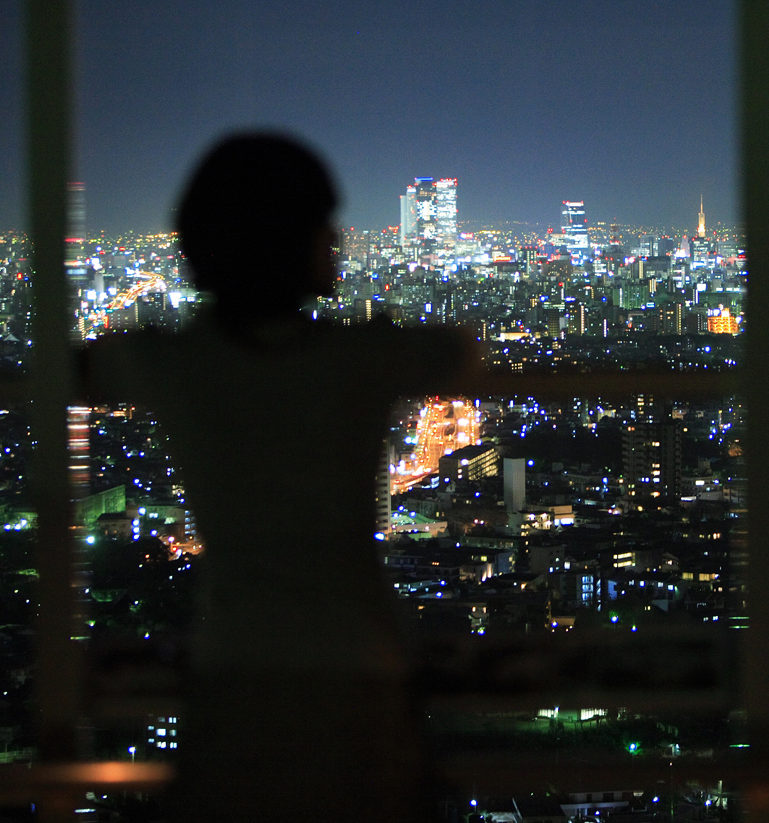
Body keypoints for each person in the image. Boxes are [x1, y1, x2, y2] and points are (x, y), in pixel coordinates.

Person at [84, 133, 476, 822]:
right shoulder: (365, 357)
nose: (338, 243)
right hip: (361, 664)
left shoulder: (171, 363)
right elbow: (456, 348)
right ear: (303, 245)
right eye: (326, 230)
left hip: (235, 662)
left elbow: (87, 363)